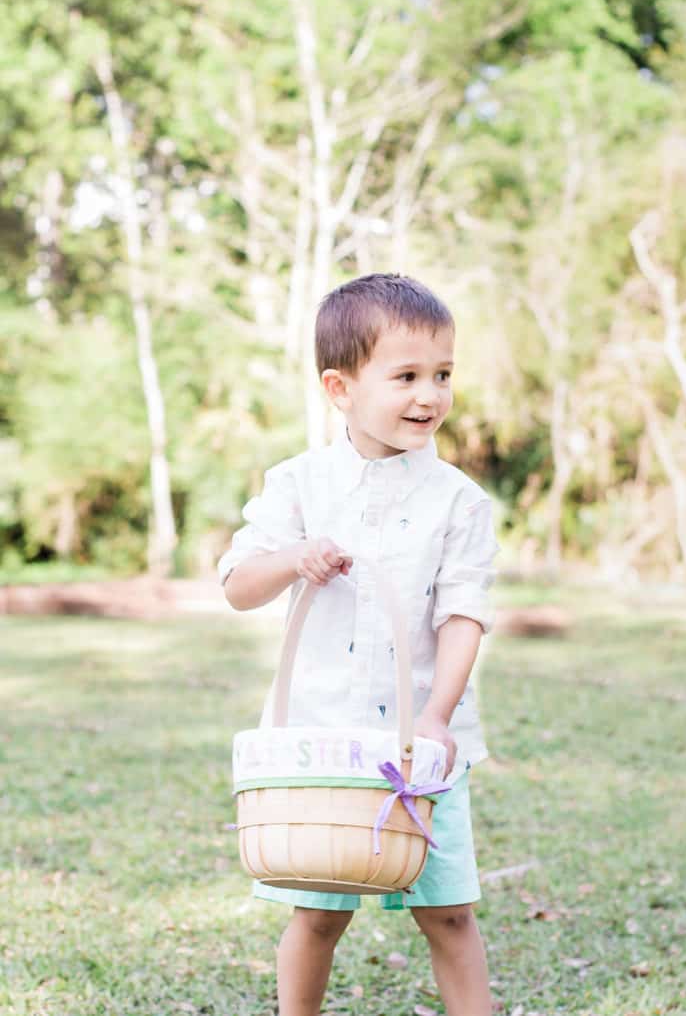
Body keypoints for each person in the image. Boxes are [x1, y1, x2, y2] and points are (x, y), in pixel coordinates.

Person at [218, 273, 499, 1016]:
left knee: (450, 914)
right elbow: (240, 585)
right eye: (405, 376)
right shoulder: (300, 483)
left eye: (442, 375)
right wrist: (294, 557)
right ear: (340, 389)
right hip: (323, 743)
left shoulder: (459, 501)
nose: (429, 395)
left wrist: (437, 717)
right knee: (316, 913)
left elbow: (463, 614)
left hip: (425, 752)